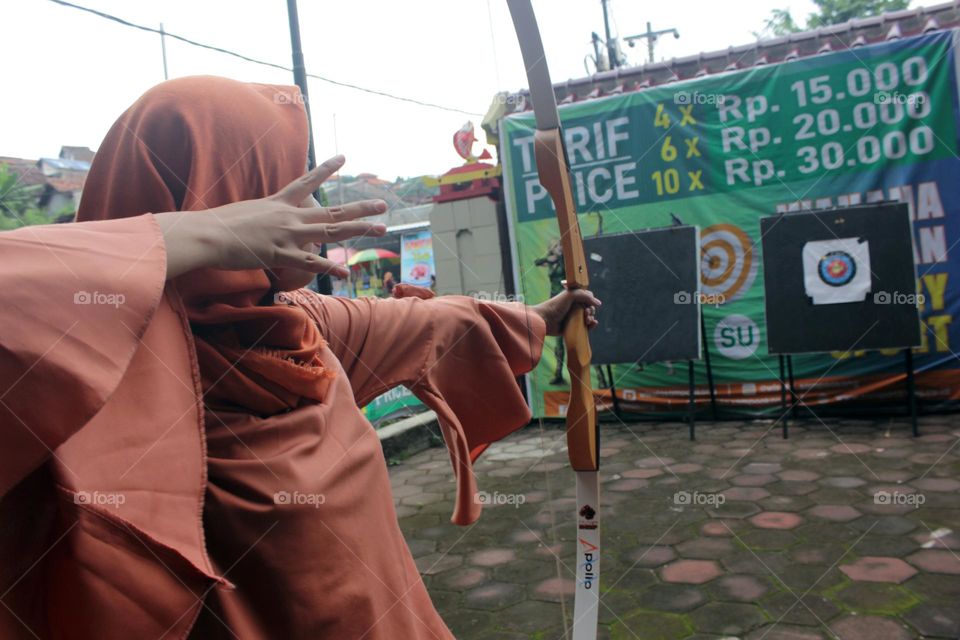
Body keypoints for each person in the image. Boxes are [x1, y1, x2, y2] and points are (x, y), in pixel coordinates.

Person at [0, 76, 599, 639]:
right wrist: (198, 236)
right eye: (277, 186)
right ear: (225, 203)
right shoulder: (87, 368)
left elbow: (434, 321)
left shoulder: (294, 324)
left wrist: (542, 319)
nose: (304, 209)